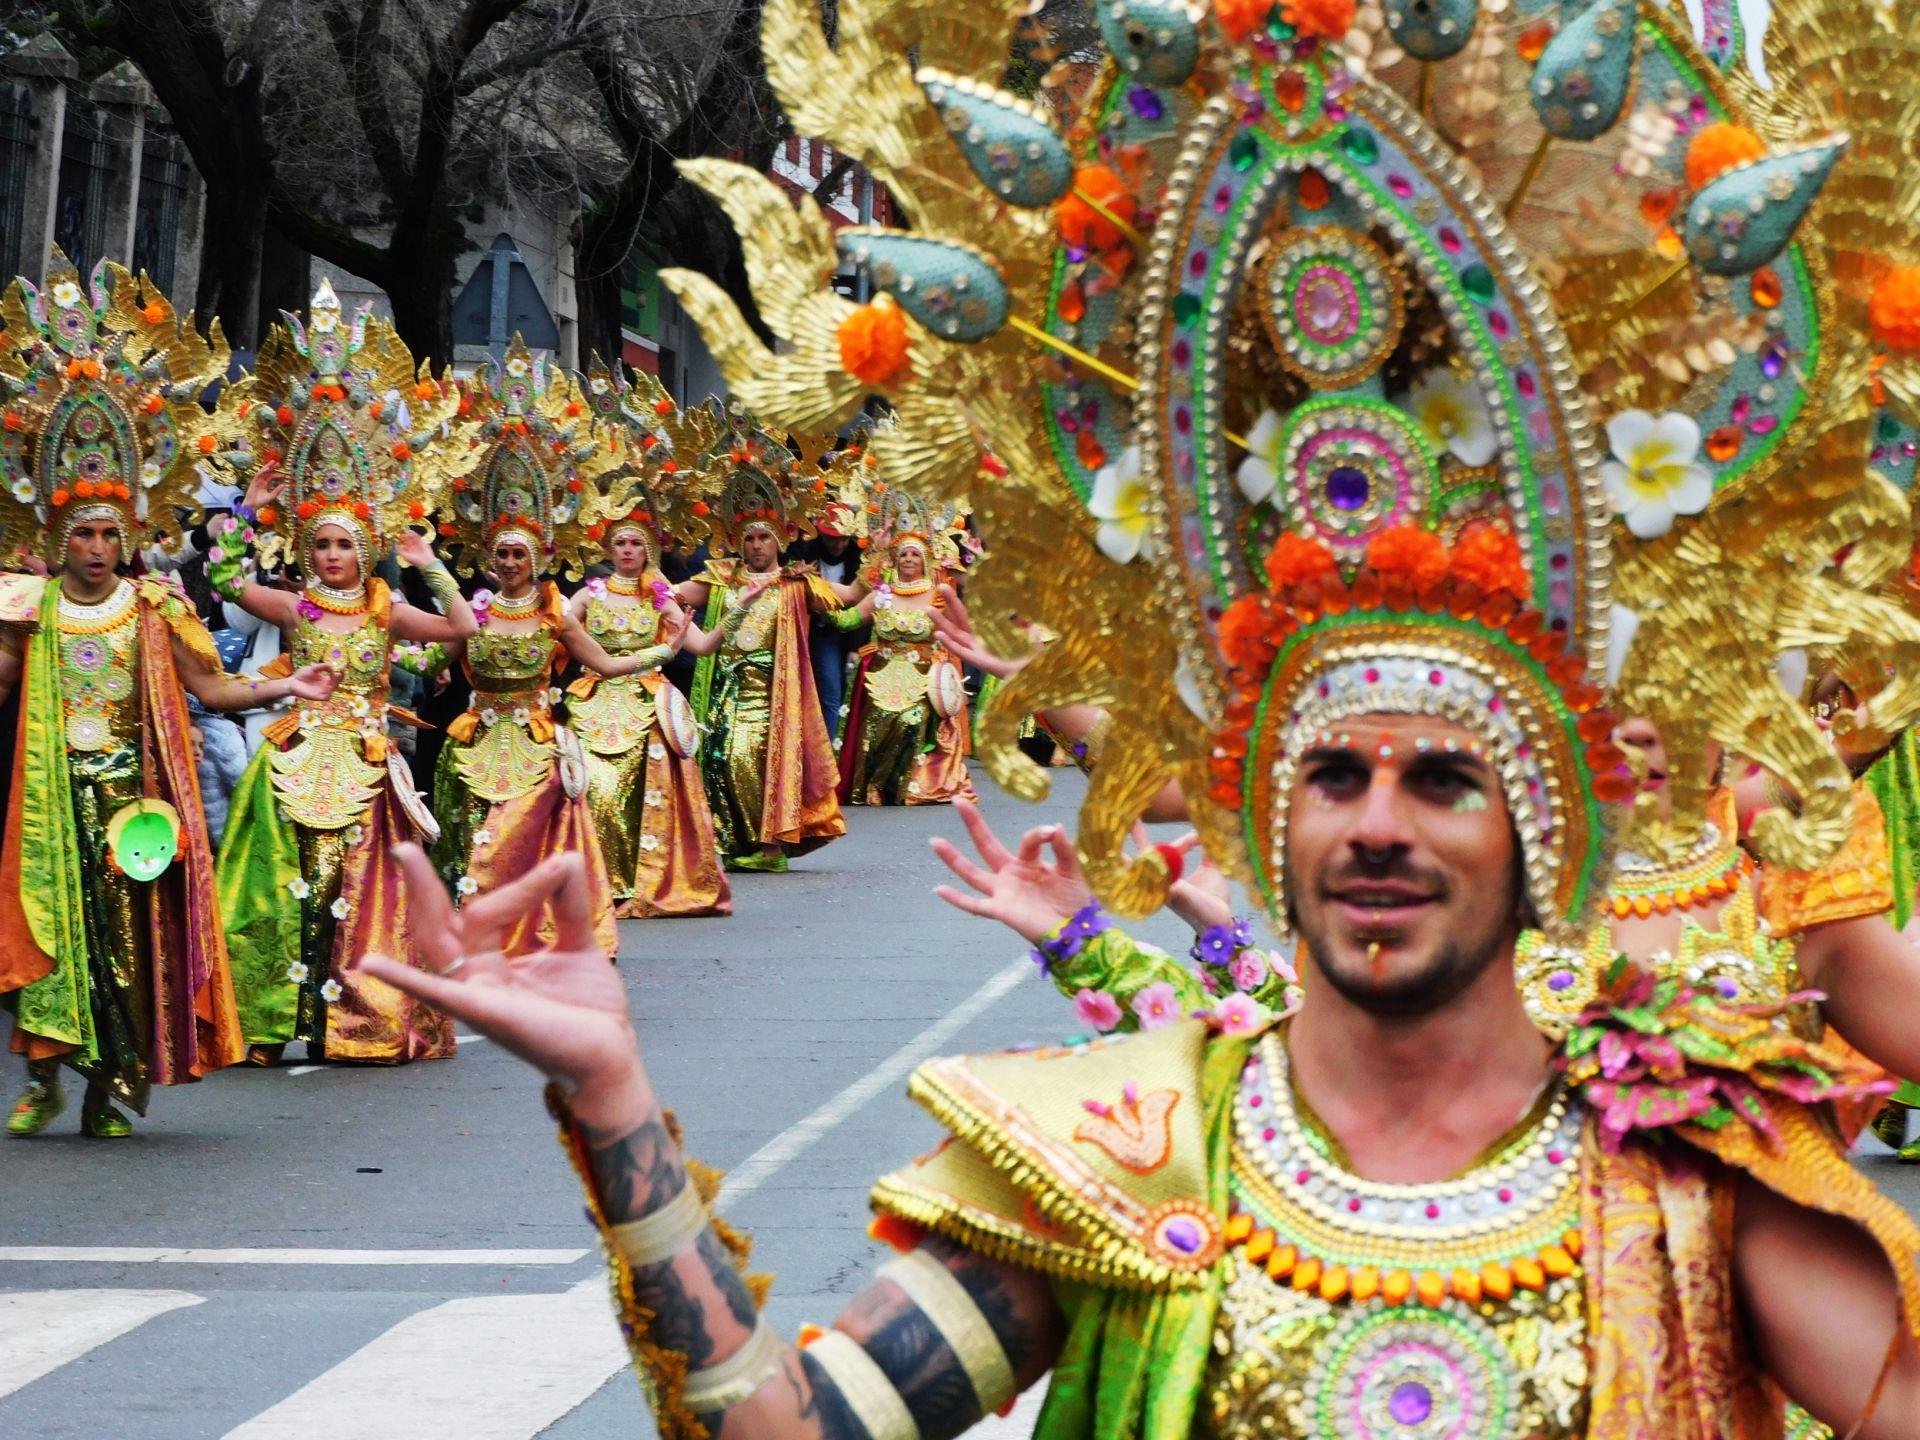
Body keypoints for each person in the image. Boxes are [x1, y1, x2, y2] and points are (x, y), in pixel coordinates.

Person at [0, 257, 337, 1136]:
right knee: (39, 942)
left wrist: (282, 684)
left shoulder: (153, 607)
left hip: (127, 800)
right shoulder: (25, 607)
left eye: (114, 532)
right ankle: (45, 1076)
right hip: (44, 802)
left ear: (132, 534)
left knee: (121, 950)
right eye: (86, 533)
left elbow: (211, 686)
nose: (101, 547)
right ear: (57, 536)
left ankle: (115, 1082)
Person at [206, 277, 478, 1066]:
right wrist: (250, 510)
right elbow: (226, 582)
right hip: (293, 759)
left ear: (367, 549)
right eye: (320, 544)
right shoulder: (298, 609)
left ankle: (367, 1016)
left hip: (367, 764)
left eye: (344, 545)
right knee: (274, 893)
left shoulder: (388, 609)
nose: (330, 556)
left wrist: (432, 566)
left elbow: (462, 631)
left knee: (364, 894)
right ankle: (264, 1023)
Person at [425, 339, 641, 951]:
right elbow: (442, 656)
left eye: (521, 553)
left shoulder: (554, 617)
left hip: (537, 743)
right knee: (477, 839)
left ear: (540, 556)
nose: (511, 562)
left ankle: (512, 932)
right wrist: (430, 672)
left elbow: (605, 664)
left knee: (514, 839)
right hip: (475, 742)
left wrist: (666, 652)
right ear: (489, 559)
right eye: (502, 553)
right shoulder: (475, 612)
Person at [677, 427, 845, 872]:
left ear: (779, 541)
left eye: (763, 538)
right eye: (749, 538)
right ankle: (740, 841)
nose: (755, 546)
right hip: (725, 689)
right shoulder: (721, 579)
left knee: (755, 759)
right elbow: (667, 594)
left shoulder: (796, 583)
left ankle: (771, 847)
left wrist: (884, 564)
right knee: (720, 760)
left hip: (775, 694)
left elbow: (847, 598)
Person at [567, 488, 733, 919]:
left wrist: (738, 610)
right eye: (620, 542)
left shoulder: (660, 597)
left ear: (649, 550)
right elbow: (554, 634)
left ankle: (637, 882)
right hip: (592, 705)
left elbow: (700, 646)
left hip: (647, 707)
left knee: (642, 797)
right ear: (608, 549)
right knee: (596, 790)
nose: (627, 550)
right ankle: (595, 883)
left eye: (636, 543)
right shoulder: (587, 596)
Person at [829, 519, 976, 807]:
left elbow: (963, 631)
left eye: (915, 554)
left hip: (921, 680)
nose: (908, 559)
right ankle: (872, 786)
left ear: (926, 561)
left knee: (911, 723)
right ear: (895, 560)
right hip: (879, 677)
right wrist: (813, 599)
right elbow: (848, 620)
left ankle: (902, 785)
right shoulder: (881, 594)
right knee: (873, 731)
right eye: (904, 554)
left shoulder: (938, 596)